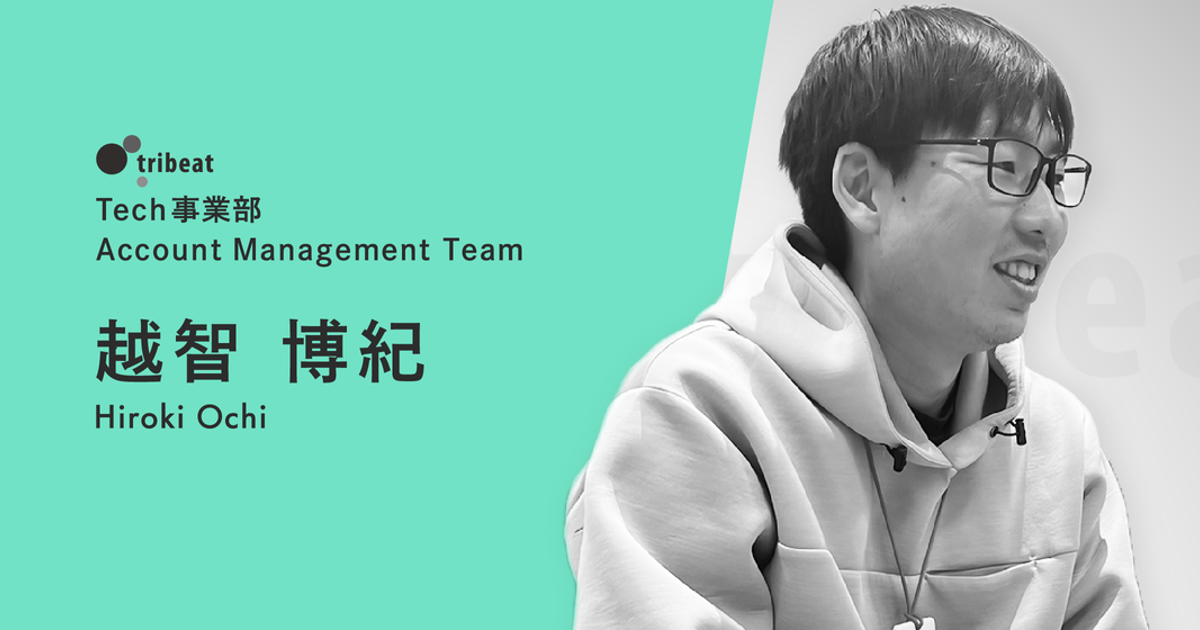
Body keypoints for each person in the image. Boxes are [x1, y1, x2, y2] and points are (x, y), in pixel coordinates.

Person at [564, 6, 1148, 629]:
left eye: (1054, 177)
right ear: (863, 187)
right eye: (1008, 168)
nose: (1050, 221)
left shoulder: (1059, 441)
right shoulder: (702, 409)